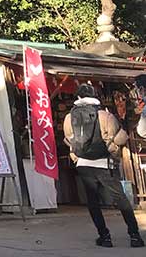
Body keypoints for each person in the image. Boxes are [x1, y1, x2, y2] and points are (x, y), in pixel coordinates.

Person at [63, 83, 144, 248]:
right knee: (121, 200)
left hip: (84, 164)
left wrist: (76, 158)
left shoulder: (69, 117)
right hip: (105, 163)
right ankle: (135, 235)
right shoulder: (104, 115)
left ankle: (104, 237)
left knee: (93, 202)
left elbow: (68, 139)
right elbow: (120, 137)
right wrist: (114, 149)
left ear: (78, 97)